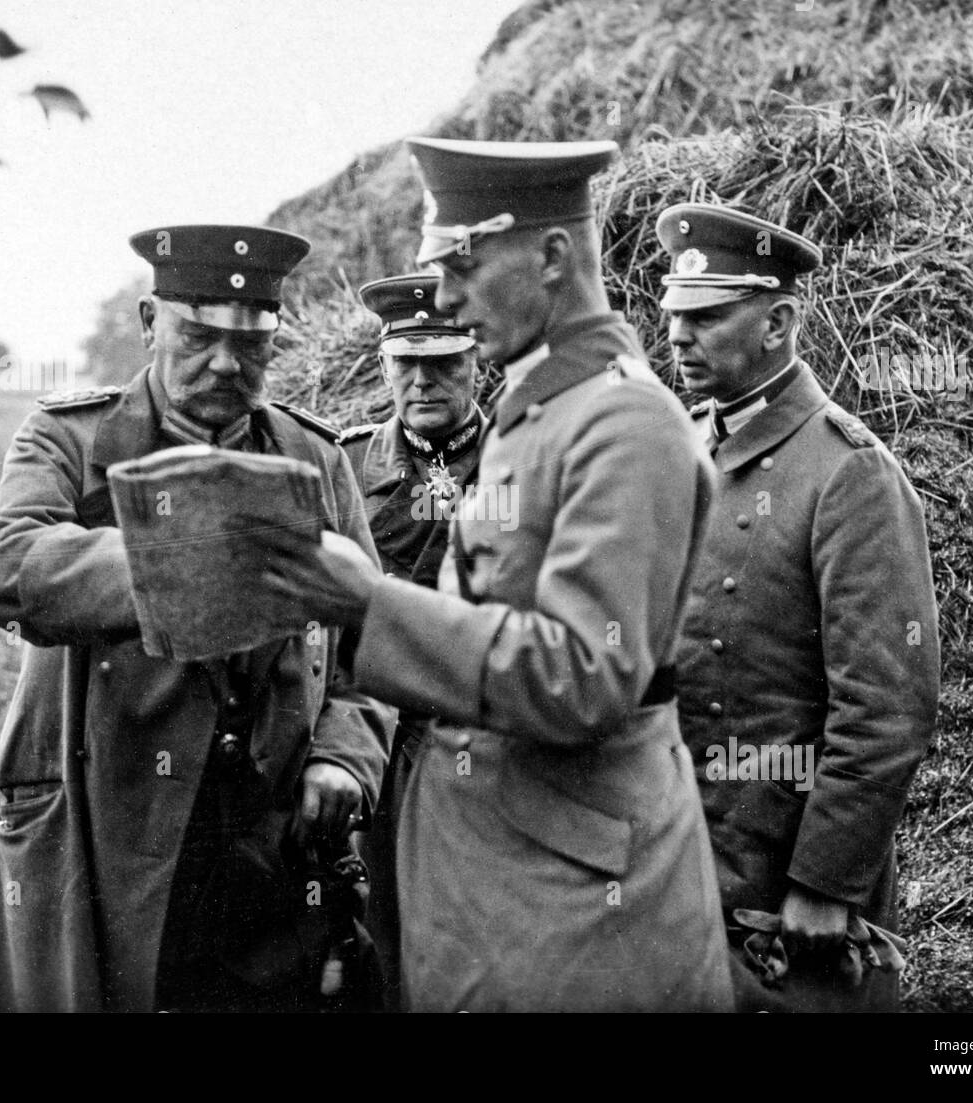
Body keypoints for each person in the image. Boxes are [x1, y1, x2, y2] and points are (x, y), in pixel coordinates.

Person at [260, 138, 734, 1012]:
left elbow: (585, 673)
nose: (443, 294)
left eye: (464, 262)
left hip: (575, 902)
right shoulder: (541, 409)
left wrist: (366, 603)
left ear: (552, 255)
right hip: (511, 873)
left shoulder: (626, 425)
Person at [0, 224, 394, 1013]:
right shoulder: (73, 440)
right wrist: (175, 560)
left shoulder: (317, 458)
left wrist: (345, 757)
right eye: (197, 335)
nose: (224, 363)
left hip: (266, 843)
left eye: (248, 343)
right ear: (152, 324)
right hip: (108, 831)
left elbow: (370, 645)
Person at [656, 202, 940, 1011]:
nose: (679, 336)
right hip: (678, 871)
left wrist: (825, 882)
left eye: (708, 317)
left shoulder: (848, 473)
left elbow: (888, 707)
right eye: (675, 314)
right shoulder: (681, 452)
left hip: (783, 908)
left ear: (779, 320)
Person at [338, 272, 486, 1006]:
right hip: (383, 740)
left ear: (476, 360)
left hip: (490, 739)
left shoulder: (525, 461)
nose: (423, 382)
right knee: (382, 935)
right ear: (384, 367)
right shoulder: (347, 467)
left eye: (444, 363)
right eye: (407, 364)